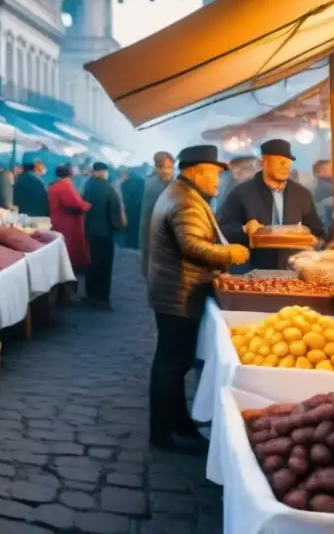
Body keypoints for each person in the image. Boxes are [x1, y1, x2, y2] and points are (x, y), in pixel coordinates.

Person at [147, 145, 249, 453]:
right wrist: (230, 253)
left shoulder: (182, 193)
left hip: (175, 290)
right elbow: (191, 245)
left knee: (173, 364)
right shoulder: (185, 200)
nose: (218, 180)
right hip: (179, 292)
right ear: (195, 172)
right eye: (214, 174)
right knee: (171, 364)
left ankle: (179, 425)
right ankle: (163, 434)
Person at [217, 139, 326, 271]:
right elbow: (223, 229)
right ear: (263, 162)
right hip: (252, 271)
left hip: (293, 269)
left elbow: (316, 229)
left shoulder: (301, 194)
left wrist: (312, 235)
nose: (286, 166)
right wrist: (244, 229)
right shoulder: (241, 193)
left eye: (288, 162)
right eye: (280, 161)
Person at [83, 161, 125, 309]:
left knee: (91, 263)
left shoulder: (87, 185)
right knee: (105, 266)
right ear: (102, 172)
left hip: (90, 231)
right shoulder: (109, 188)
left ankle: (90, 294)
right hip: (105, 232)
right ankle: (102, 297)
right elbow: (115, 210)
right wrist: (118, 227)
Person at [48, 164, 92, 273]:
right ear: (69, 173)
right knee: (71, 247)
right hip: (68, 222)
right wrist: (87, 206)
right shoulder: (65, 184)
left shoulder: (54, 185)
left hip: (58, 219)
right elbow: (75, 203)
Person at [139, 151, 174, 276]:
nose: (168, 171)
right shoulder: (153, 186)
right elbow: (149, 216)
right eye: (164, 167)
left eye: (170, 167)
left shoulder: (171, 184)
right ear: (157, 168)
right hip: (155, 234)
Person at [120, 167, 145, 249]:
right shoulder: (140, 180)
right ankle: (134, 244)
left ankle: (129, 244)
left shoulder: (125, 183)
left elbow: (124, 197)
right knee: (135, 228)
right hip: (137, 209)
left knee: (130, 228)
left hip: (130, 209)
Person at [313, 159, 334, 231]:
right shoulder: (326, 187)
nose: (332, 171)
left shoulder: (325, 185)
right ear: (317, 173)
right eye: (325, 170)